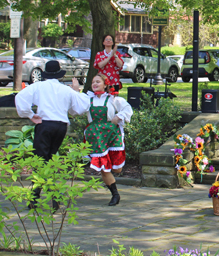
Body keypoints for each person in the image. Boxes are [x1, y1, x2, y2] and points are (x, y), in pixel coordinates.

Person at [15, 61, 90, 210]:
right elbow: (81, 106)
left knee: (40, 161)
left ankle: (41, 197)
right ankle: (47, 197)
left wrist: (30, 115)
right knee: (48, 160)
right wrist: (76, 91)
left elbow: (20, 98)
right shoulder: (65, 90)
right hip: (60, 126)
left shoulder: (38, 87)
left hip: (45, 125)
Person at [85, 74, 133, 206]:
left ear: (105, 84)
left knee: (117, 169)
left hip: (112, 135)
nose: (94, 84)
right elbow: (75, 108)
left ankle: (111, 179)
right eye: (93, 82)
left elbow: (128, 109)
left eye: (98, 82)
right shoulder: (87, 99)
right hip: (96, 137)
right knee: (104, 168)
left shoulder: (113, 99)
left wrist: (119, 116)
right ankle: (115, 195)